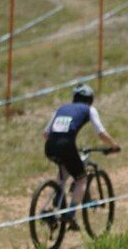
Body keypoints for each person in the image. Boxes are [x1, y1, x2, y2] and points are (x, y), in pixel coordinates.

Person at [43, 84, 120, 225]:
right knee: (81, 179)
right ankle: (71, 214)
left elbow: (45, 134)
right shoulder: (89, 109)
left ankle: (54, 204)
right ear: (90, 99)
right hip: (66, 145)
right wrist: (113, 145)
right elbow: (101, 134)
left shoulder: (60, 109)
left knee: (63, 173)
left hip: (49, 147)